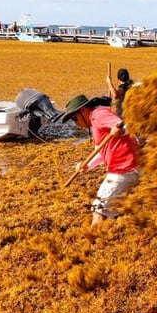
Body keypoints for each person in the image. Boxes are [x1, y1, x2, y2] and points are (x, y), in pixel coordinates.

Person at [57, 95, 140, 226]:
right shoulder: (95, 120)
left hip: (123, 169)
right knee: (113, 208)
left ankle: (93, 240)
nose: (76, 123)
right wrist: (87, 165)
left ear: (83, 111)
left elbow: (125, 125)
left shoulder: (98, 115)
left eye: (74, 118)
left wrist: (121, 130)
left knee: (99, 209)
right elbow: (102, 152)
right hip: (128, 168)